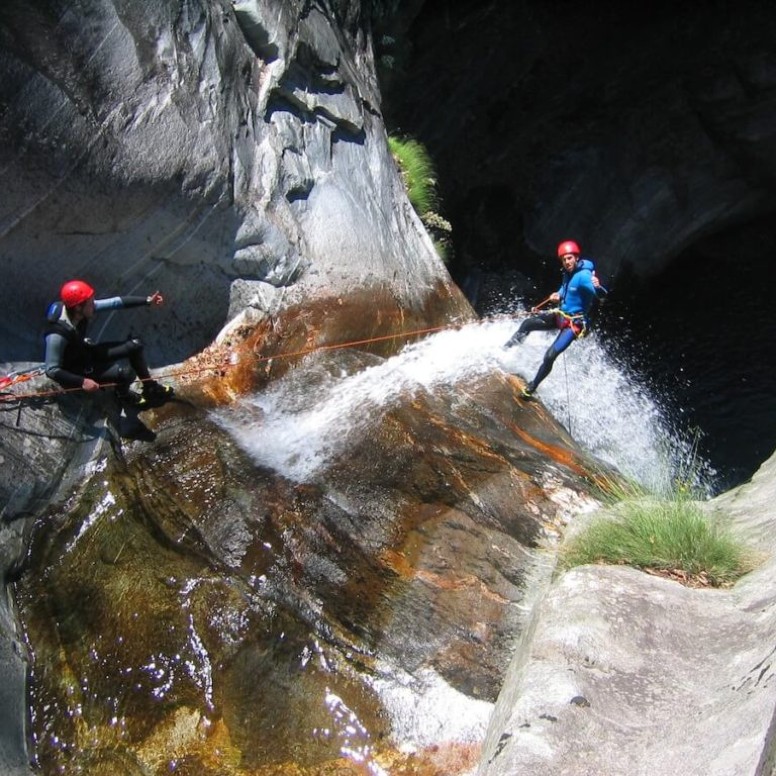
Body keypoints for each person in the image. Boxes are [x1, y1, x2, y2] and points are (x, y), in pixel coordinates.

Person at [44, 279, 173, 408]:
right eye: (90, 303)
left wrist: (147, 301)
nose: (94, 305)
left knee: (135, 345)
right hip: (77, 369)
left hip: (84, 352)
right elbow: (52, 369)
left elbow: (115, 303)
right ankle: (123, 395)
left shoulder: (78, 309)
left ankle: (150, 387)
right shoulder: (57, 334)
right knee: (126, 374)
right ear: (78, 307)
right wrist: (82, 381)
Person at [504, 240, 606, 398]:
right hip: (560, 316)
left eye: (570, 258)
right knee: (527, 324)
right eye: (564, 259)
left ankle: (532, 387)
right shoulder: (568, 274)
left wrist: (598, 287)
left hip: (572, 325)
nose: (567, 262)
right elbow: (565, 291)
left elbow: (601, 296)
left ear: (576, 258)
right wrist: (557, 295)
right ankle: (504, 352)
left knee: (550, 356)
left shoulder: (584, 276)